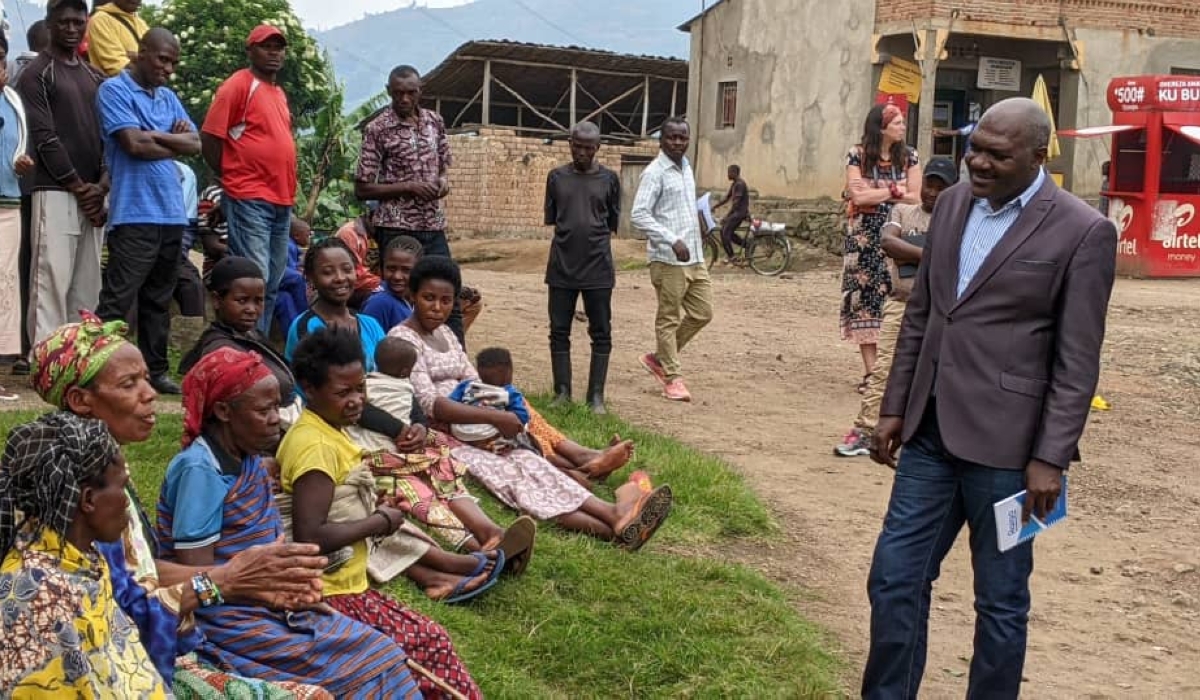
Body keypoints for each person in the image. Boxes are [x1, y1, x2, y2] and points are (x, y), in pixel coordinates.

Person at [862, 98, 1118, 699]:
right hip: (928, 437)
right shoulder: (952, 204)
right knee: (895, 579)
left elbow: (1077, 361)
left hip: (1011, 458)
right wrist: (895, 406)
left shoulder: (1083, 231)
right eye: (974, 147)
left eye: (995, 155)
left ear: (1036, 156)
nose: (976, 162)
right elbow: (923, 314)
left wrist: (1050, 459)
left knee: (1001, 600)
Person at [29, 313, 344, 697]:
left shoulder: (109, 475)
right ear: (80, 401)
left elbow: (139, 570)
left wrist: (256, 578)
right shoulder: (74, 496)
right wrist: (226, 582)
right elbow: (118, 611)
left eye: (147, 378)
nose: (150, 394)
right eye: (130, 384)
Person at [156, 348, 426, 698]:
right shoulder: (200, 471)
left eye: (277, 408)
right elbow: (201, 576)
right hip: (227, 616)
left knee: (379, 650)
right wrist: (272, 591)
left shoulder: (246, 456)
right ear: (223, 411)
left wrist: (291, 587)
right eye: (263, 410)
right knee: (374, 655)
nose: (275, 419)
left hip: (267, 600)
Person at [390, 255, 670, 546]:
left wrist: (497, 412)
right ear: (412, 295)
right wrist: (495, 418)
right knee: (511, 478)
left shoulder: (445, 333)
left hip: (479, 424)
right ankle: (612, 528)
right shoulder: (404, 339)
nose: (437, 308)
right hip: (445, 435)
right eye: (428, 298)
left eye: (446, 301)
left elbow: (473, 381)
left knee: (531, 462)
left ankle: (614, 515)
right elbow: (430, 404)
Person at [279, 330, 485, 699]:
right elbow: (311, 536)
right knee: (427, 645)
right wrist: (380, 521)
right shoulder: (315, 447)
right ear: (309, 389)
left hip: (349, 586)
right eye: (344, 393)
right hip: (330, 596)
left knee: (427, 642)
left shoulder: (329, 433)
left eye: (361, 388)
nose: (357, 400)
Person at [0, 412, 170, 697]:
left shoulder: (81, 559)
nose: (128, 505)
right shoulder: (36, 594)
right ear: (88, 500)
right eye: (122, 487)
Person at [346, 337, 534, 556]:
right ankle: (475, 547)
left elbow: (417, 413)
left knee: (445, 476)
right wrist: (401, 430)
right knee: (418, 494)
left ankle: (491, 532)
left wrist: (420, 428)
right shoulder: (363, 388)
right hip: (381, 462)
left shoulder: (396, 386)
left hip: (415, 452)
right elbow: (362, 414)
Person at [95, 27, 198, 396]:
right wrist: (172, 140)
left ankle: (155, 371)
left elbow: (195, 143)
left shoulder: (168, 97)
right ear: (141, 53)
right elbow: (133, 145)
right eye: (162, 59)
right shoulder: (114, 90)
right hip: (133, 213)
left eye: (173, 62)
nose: (168, 68)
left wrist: (154, 135)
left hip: (172, 213)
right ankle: (99, 366)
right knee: (119, 299)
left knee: (158, 298)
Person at [835, 157, 957, 457]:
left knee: (940, 372)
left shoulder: (956, 221)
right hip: (900, 303)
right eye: (930, 184)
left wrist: (912, 254)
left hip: (941, 308)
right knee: (884, 368)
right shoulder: (902, 210)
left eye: (942, 188)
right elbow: (888, 242)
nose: (932, 192)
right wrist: (932, 254)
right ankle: (865, 429)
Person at [16, 0, 108, 347]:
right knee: (50, 279)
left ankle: (80, 358)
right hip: (53, 188)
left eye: (78, 22)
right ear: (50, 23)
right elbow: (44, 137)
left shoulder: (93, 75)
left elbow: (107, 137)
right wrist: (79, 186)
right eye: (64, 22)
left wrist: (100, 186)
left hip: (93, 195)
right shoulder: (37, 73)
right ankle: (46, 357)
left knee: (87, 285)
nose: (72, 29)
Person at [356, 64, 464, 344]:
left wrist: (442, 185)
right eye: (398, 93)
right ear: (388, 92)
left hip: (432, 224)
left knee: (446, 290)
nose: (404, 99)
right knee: (400, 295)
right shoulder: (377, 129)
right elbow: (362, 187)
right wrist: (409, 187)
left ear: (420, 91)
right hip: (396, 226)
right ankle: (398, 357)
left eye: (410, 93)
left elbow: (443, 171)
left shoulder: (435, 122)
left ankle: (457, 363)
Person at [201, 24, 296, 336]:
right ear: (250, 51)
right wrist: (230, 177)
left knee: (272, 281)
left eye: (278, 47)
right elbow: (211, 136)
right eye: (266, 46)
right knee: (254, 276)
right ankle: (241, 347)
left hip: (280, 199)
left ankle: (259, 347)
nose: (274, 52)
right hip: (250, 196)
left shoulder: (278, 92)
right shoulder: (238, 85)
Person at [631, 117, 712, 403]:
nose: (678, 143)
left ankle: (659, 358)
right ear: (661, 140)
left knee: (703, 313)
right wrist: (671, 239)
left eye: (682, 138)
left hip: (694, 256)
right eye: (672, 138)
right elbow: (639, 214)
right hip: (668, 258)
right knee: (668, 318)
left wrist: (700, 225)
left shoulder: (686, 167)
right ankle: (672, 378)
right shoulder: (655, 172)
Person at [842, 102, 920, 395]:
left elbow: (915, 197)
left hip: (899, 234)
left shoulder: (910, 156)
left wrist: (877, 194)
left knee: (897, 293)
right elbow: (857, 197)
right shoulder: (857, 154)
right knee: (865, 300)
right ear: (882, 127)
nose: (902, 126)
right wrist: (894, 190)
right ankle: (872, 373)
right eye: (897, 122)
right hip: (862, 238)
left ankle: (891, 370)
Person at [543, 120, 620, 413]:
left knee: (601, 332)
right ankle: (562, 392)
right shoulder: (556, 178)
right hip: (562, 266)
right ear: (570, 144)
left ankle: (595, 396)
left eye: (589, 148)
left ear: (597, 148)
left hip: (598, 267)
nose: (583, 153)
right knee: (558, 330)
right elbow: (553, 217)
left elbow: (612, 220)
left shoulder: (610, 180)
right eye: (578, 146)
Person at [285, 237, 387, 371]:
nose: (340, 278)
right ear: (311, 278)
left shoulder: (370, 324)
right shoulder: (306, 327)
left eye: (347, 269)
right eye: (328, 272)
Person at [0, 33, 32, 401]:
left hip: (8, 203)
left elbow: (20, 151)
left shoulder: (13, 103)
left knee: (5, 287)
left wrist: (21, 165)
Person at [448, 346, 532, 449]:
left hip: (461, 431)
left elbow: (451, 402)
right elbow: (522, 416)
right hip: (488, 435)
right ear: (508, 374)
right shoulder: (509, 392)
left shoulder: (467, 385)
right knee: (522, 430)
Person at [361, 234, 421, 331]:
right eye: (391, 268)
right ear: (382, 268)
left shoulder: (415, 299)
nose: (397, 276)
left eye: (406, 270)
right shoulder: (379, 303)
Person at [335, 204, 382, 307]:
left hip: (356, 283)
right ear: (372, 218)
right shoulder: (350, 233)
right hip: (345, 285)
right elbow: (354, 271)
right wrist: (380, 283)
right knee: (382, 298)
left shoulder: (365, 234)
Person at [84, 0, 147, 76]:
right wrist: (147, 61)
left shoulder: (141, 23)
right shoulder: (101, 20)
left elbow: (159, 60)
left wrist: (136, 57)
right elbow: (118, 68)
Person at [275, 217, 311, 335]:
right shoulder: (288, 245)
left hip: (279, 288)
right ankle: (305, 317)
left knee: (286, 298)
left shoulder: (291, 245)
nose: (309, 238)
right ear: (296, 235)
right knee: (298, 279)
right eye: (307, 235)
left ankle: (296, 335)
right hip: (274, 277)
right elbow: (289, 271)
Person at [712, 164, 750, 263]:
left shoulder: (740, 184)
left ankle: (732, 256)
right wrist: (715, 206)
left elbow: (736, 204)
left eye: (729, 172)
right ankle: (747, 245)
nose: (727, 174)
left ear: (734, 173)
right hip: (737, 213)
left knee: (725, 233)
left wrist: (726, 216)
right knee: (726, 232)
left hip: (739, 214)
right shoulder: (735, 184)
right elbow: (726, 198)